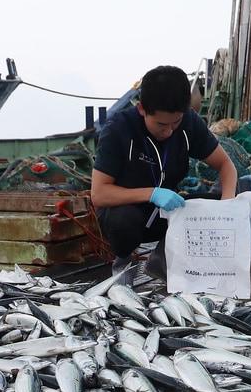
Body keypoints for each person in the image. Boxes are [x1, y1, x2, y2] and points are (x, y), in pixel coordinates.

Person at [91, 65, 238, 278]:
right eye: (161, 124)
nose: (169, 131)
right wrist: (152, 194)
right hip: (127, 212)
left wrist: (226, 207)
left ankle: (161, 258)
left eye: (175, 122)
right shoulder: (118, 129)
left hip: (168, 211)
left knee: (216, 203)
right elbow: (99, 194)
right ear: (142, 109)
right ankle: (122, 264)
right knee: (123, 221)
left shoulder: (189, 123)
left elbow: (226, 166)